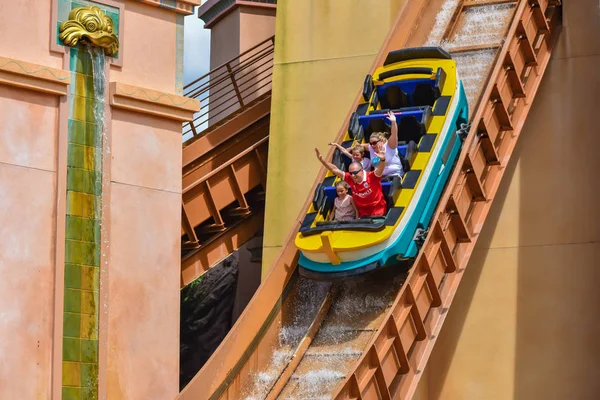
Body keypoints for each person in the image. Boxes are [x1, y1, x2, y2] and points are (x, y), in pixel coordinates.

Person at [315, 147, 387, 218]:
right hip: (362, 214)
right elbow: (334, 169)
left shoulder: (372, 176)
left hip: (377, 212)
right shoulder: (349, 178)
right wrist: (322, 160)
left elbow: (380, 168)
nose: (353, 175)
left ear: (361, 171)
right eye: (351, 173)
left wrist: (383, 159)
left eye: (355, 172)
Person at [356, 111, 404, 178]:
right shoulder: (371, 147)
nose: (372, 145)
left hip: (395, 176)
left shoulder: (390, 145)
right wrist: (354, 146)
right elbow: (362, 146)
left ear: (381, 141)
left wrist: (393, 122)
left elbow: (394, 134)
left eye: (374, 143)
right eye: (371, 143)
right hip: (379, 178)